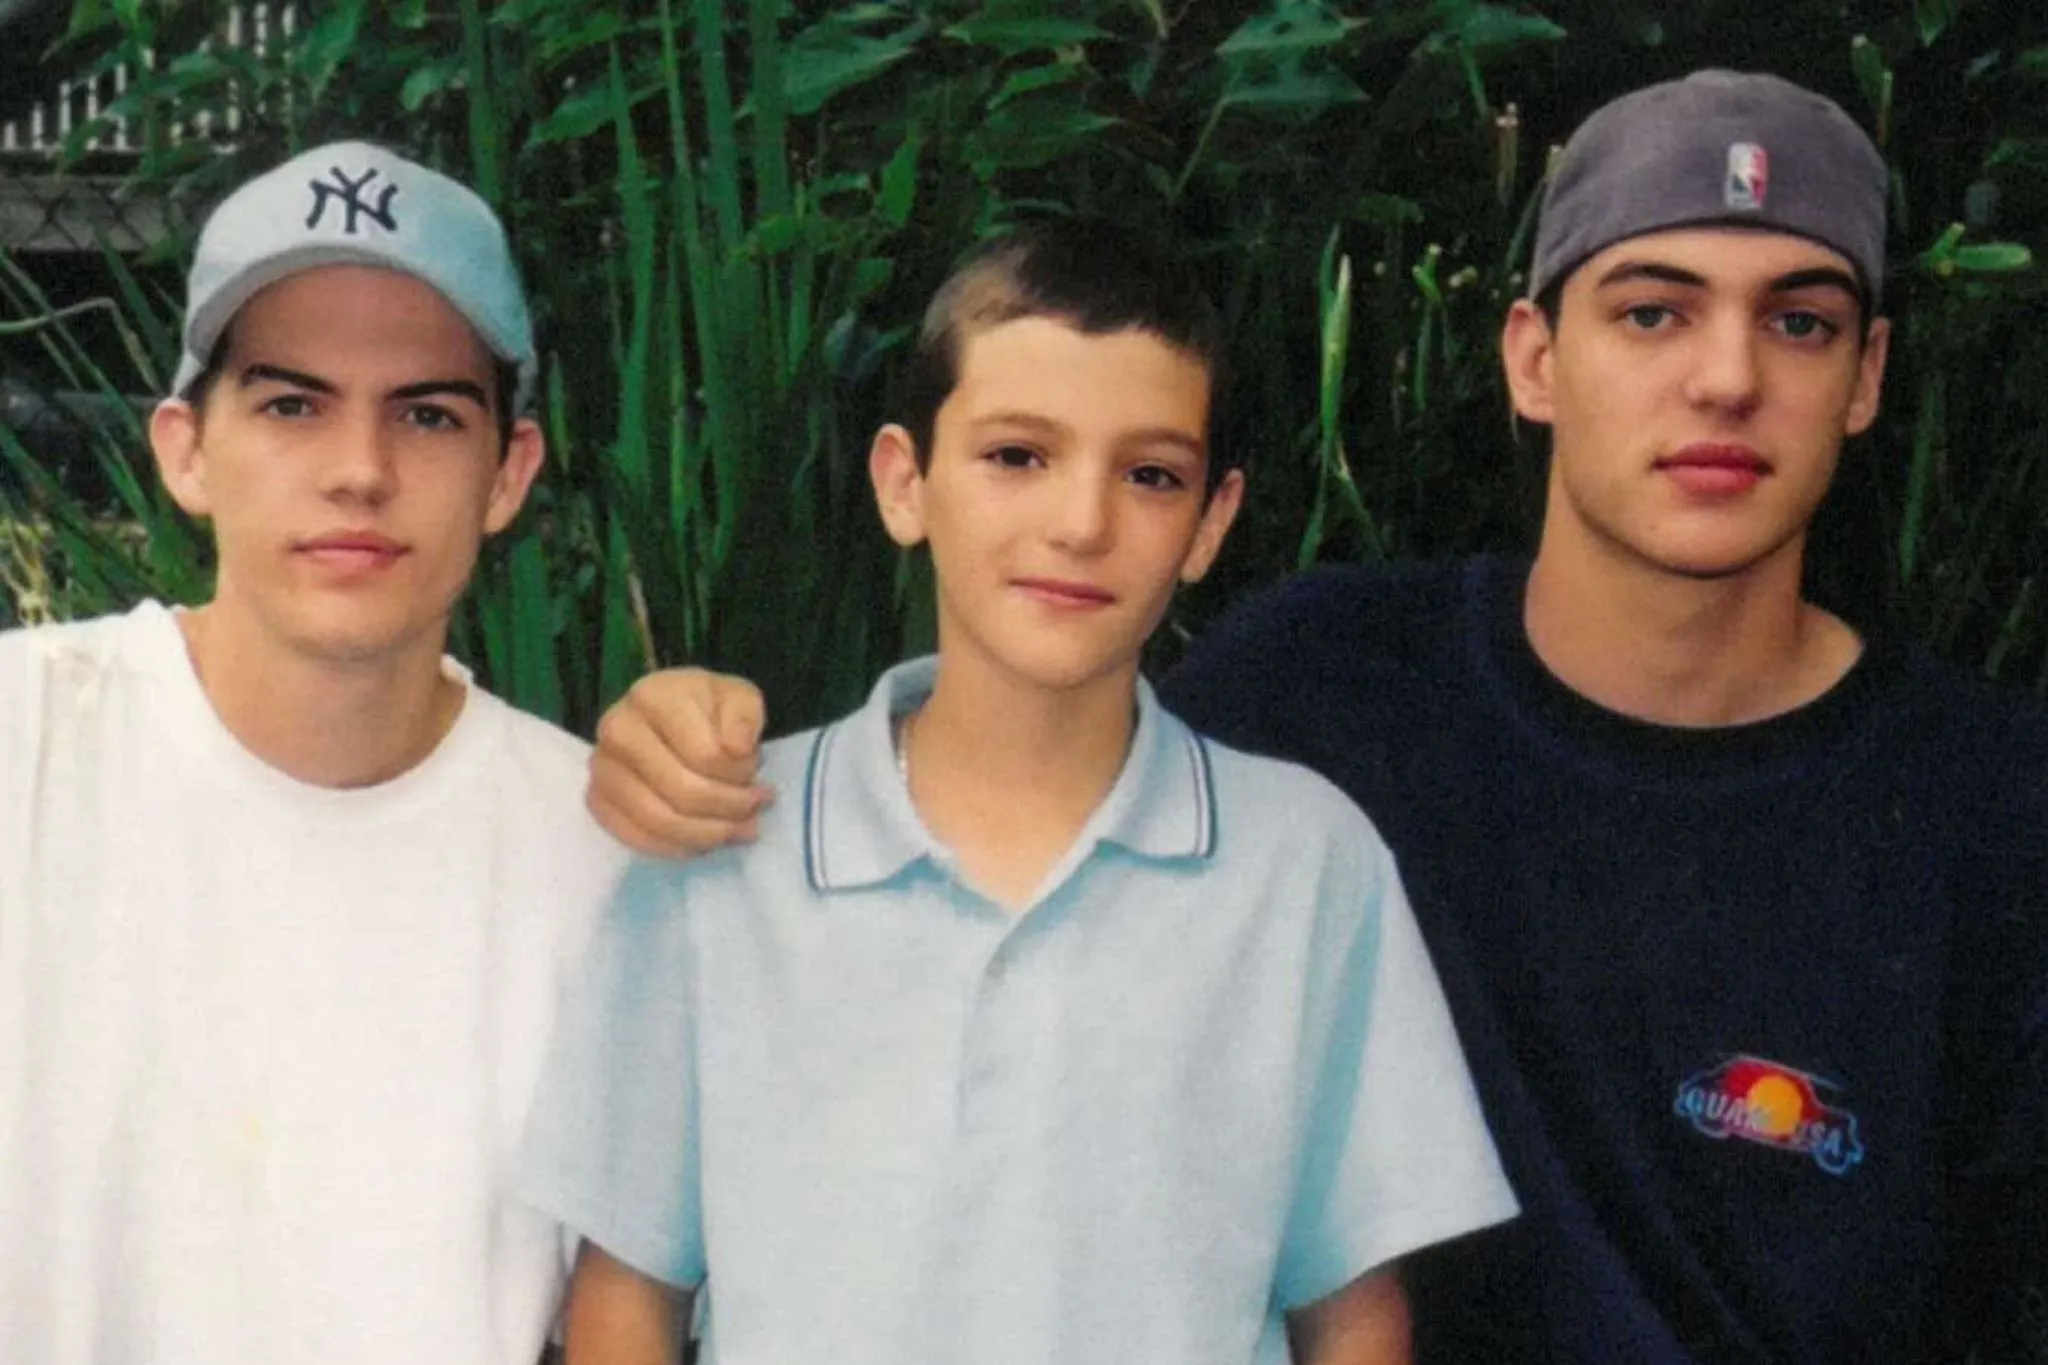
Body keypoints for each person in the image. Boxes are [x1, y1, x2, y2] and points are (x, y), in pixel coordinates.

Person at [579, 70, 2048, 1363]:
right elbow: (1021, 760)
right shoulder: (1327, 690)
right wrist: (684, 731)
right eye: (1654, 309)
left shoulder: (1993, 812)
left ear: (1866, 380)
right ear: (1532, 356)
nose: (1726, 377)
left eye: (1799, 321)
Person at [516, 223, 1517, 1365]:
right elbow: (626, 1299)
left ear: (1210, 524)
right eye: (1016, 456)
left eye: (1148, 475)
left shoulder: (1303, 864)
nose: (1079, 523)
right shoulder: (726, 841)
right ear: (904, 482)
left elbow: (1349, 1315)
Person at [0, 141, 627, 1363]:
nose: (359, 472)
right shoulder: (24, 743)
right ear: (183, 449)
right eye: (292, 404)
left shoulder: (602, 859)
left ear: (509, 473)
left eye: (428, 414)